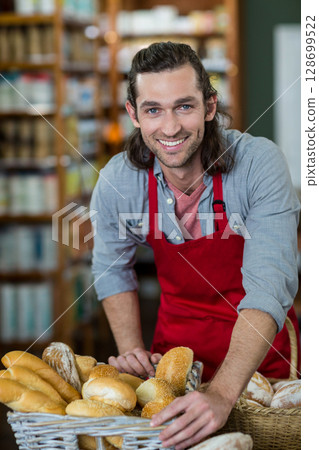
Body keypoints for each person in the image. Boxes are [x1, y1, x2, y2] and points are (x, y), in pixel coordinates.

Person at [90, 42, 300, 449]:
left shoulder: (258, 164)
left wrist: (222, 394)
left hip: (261, 363)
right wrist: (132, 351)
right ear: (133, 114)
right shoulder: (121, 180)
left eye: (184, 106)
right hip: (173, 359)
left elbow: (270, 286)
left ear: (209, 106)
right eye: (153, 110)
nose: (170, 128)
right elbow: (111, 267)